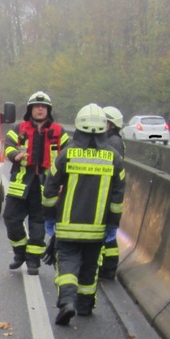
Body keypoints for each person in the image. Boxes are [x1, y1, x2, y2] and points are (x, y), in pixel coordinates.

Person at [42, 103, 126, 326]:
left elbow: (50, 190)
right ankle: (85, 306)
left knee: (68, 266)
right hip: (97, 229)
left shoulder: (66, 155)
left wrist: (49, 217)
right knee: (90, 266)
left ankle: (67, 301)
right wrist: (112, 225)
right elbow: (117, 199)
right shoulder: (115, 159)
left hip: (68, 228)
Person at [3, 91, 65, 275]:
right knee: (11, 219)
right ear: (30, 109)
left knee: (38, 224)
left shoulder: (58, 131)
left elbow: (68, 155)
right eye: (36, 106)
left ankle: (33, 261)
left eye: (43, 106)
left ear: (48, 110)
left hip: (45, 185)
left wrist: (62, 182)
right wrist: (15, 155)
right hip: (21, 183)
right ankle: (20, 253)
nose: (40, 109)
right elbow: (8, 147)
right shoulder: (19, 129)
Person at [97, 106, 126, 281]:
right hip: (106, 191)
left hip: (107, 193)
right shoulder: (111, 139)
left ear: (112, 125)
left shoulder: (113, 142)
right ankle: (107, 267)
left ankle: (108, 268)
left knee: (107, 235)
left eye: (104, 122)